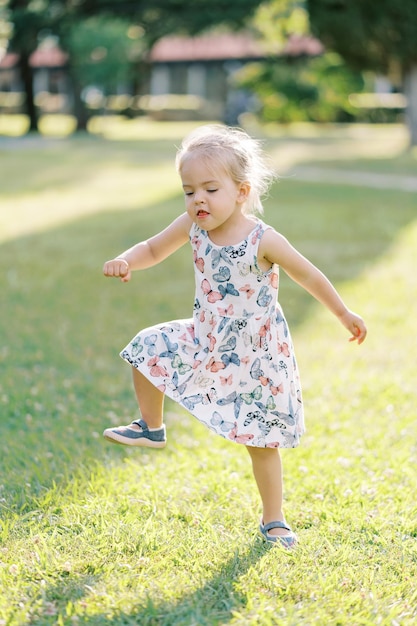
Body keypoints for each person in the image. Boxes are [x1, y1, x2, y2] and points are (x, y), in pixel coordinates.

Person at [102, 124, 367, 549]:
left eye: (210, 189)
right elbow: (152, 248)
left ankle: (274, 519)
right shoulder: (193, 227)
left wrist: (342, 312)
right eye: (189, 191)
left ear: (242, 192)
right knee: (146, 348)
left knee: (261, 441)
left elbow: (307, 274)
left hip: (257, 356)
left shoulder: (263, 240)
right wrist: (125, 259)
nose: (197, 200)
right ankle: (151, 426)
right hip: (206, 339)